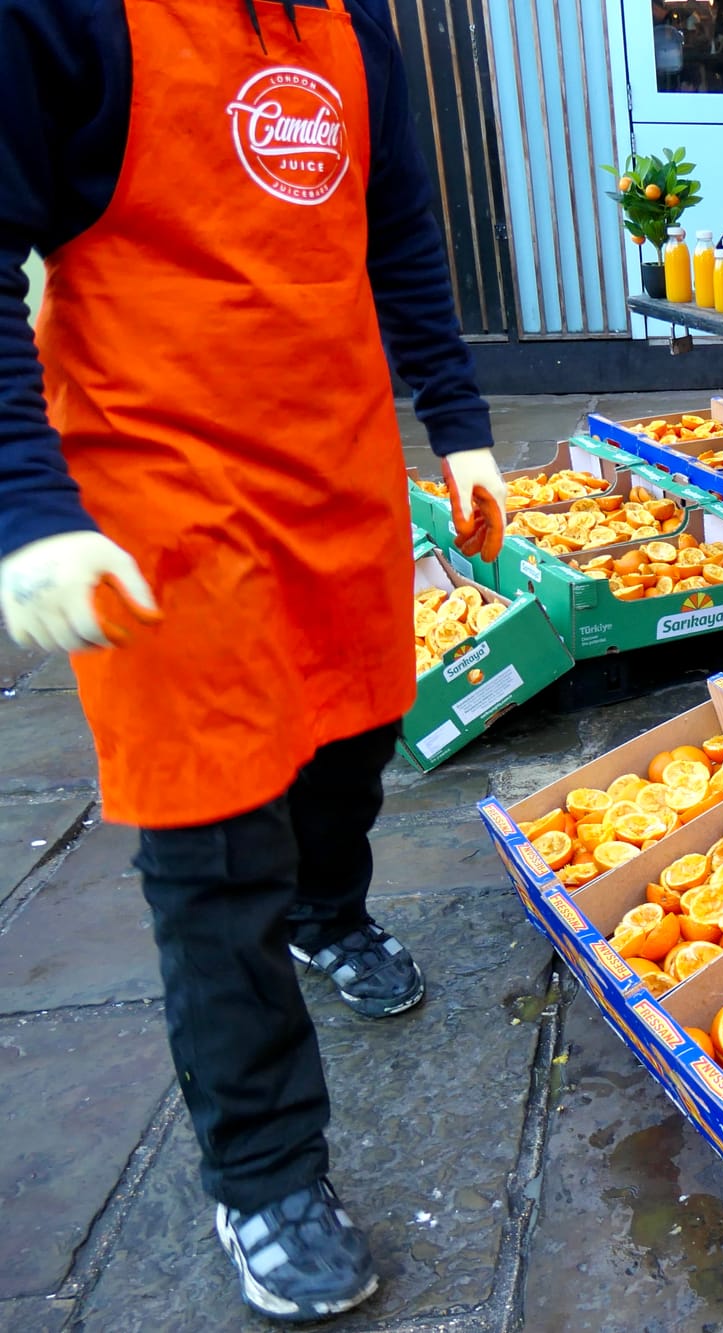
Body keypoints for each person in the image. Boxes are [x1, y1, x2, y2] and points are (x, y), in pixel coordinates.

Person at [0, 0, 508, 1321]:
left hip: (335, 472)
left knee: (354, 739)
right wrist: (25, 504)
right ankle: (267, 1171)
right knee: (217, 832)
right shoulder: (64, 19)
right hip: (157, 493)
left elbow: (400, 230)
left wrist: (459, 427)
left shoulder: (353, 25)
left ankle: (327, 912)